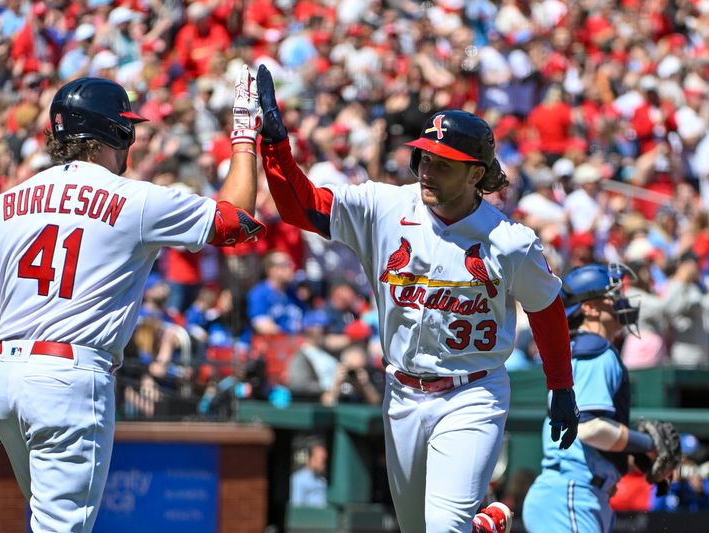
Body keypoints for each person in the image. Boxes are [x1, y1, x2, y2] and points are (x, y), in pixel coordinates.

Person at [254, 64, 579, 533]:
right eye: (424, 157)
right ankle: (485, 525)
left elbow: (546, 308)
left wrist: (560, 385)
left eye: (443, 163)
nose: (427, 169)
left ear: (476, 175)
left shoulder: (510, 241)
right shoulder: (386, 207)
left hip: (473, 389)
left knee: (442, 527)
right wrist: (277, 148)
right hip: (402, 392)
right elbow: (301, 207)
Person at [0, 68, 265, 533]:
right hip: (70, 379)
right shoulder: (134, 199)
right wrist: (244, 136)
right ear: (115, 132)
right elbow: (238, 218)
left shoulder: (6, 202)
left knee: (49, 521)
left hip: (6, 376)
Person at [521, 263, 660, 533]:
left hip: (574, 493)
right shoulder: (595, 350)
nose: (621, 302)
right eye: (613, 296)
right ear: (590, 307)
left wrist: (634, 457)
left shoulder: (580, 348)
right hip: (572, 493)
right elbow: (589, 428)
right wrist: (647, 444)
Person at [290, 438, 329, 508]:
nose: (324, 464)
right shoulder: (298, 479)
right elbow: (296, 506)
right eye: (322, 460)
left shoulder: (323, 480)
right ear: (311, 458)